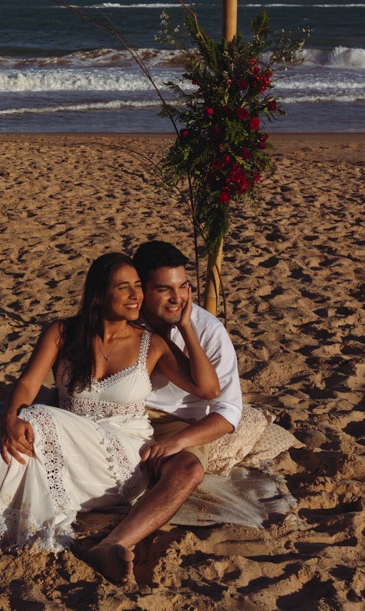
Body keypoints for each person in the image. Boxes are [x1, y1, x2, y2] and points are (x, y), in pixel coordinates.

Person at [0, 253, 221, 562]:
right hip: (64, 453)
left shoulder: (153, 344)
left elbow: (208, 388)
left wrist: (186, 326)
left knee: (34, 417)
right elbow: (28, 385)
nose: (135, 296)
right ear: (97, 296)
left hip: (120, 459)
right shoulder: (62, 333)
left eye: (138, 287)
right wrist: (8, 418)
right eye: (124, 288)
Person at [77, 240, 245, 582]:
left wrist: (179, 441)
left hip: (175, 422)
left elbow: (227, 410)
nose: (178, 298)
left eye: (184, 287)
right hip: (118, 411)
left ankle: (114, 544)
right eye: (164, 289)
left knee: (187, 470)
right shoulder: (122, 316)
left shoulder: (209, 331)